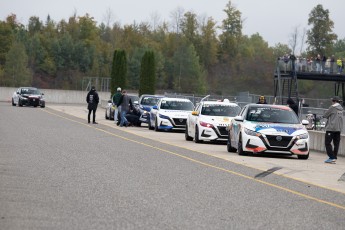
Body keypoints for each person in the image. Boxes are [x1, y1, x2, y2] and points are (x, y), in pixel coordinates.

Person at [323, 96, 343, 164]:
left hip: (331, 128)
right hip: (338, 129)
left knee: (327, 143)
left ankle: (332, 157)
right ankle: (334, 157)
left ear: (334, 101)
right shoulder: (341, 109)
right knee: (336, 144)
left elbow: (325, 115)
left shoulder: (332, 107)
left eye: (332, 101)